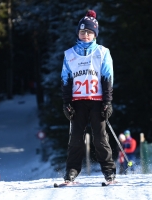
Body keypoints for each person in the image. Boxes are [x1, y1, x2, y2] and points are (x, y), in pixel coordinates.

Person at [61, 9, 116, 183]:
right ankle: (71, 172)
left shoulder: (102, 52)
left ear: (95, 34)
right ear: (78, 32)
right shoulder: (69, 55)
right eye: (83, 31)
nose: (85, 35)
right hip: (77, 102)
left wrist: (108, 102)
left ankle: (109, 172)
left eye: (89, 32)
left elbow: (107, 77)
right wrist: (66, 103)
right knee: (75, 139)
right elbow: (65, 80)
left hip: (97, 101)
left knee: (100, 139)